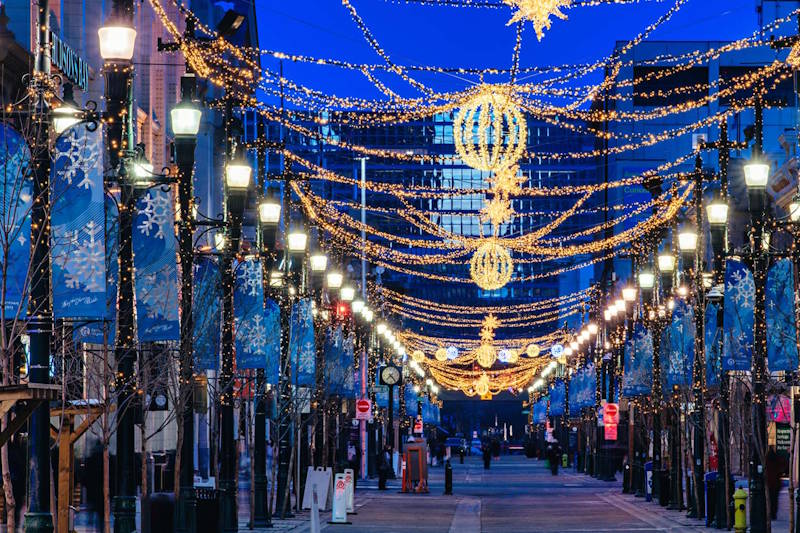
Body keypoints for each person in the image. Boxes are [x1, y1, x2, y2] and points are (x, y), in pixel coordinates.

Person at [766, 446, 781, 520]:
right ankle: (773, 514)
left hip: (769, 483)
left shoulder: (767, 460)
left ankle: (770, 513)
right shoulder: (777, 459)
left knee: (769, 499)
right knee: (774, 500)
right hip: (775, 483)